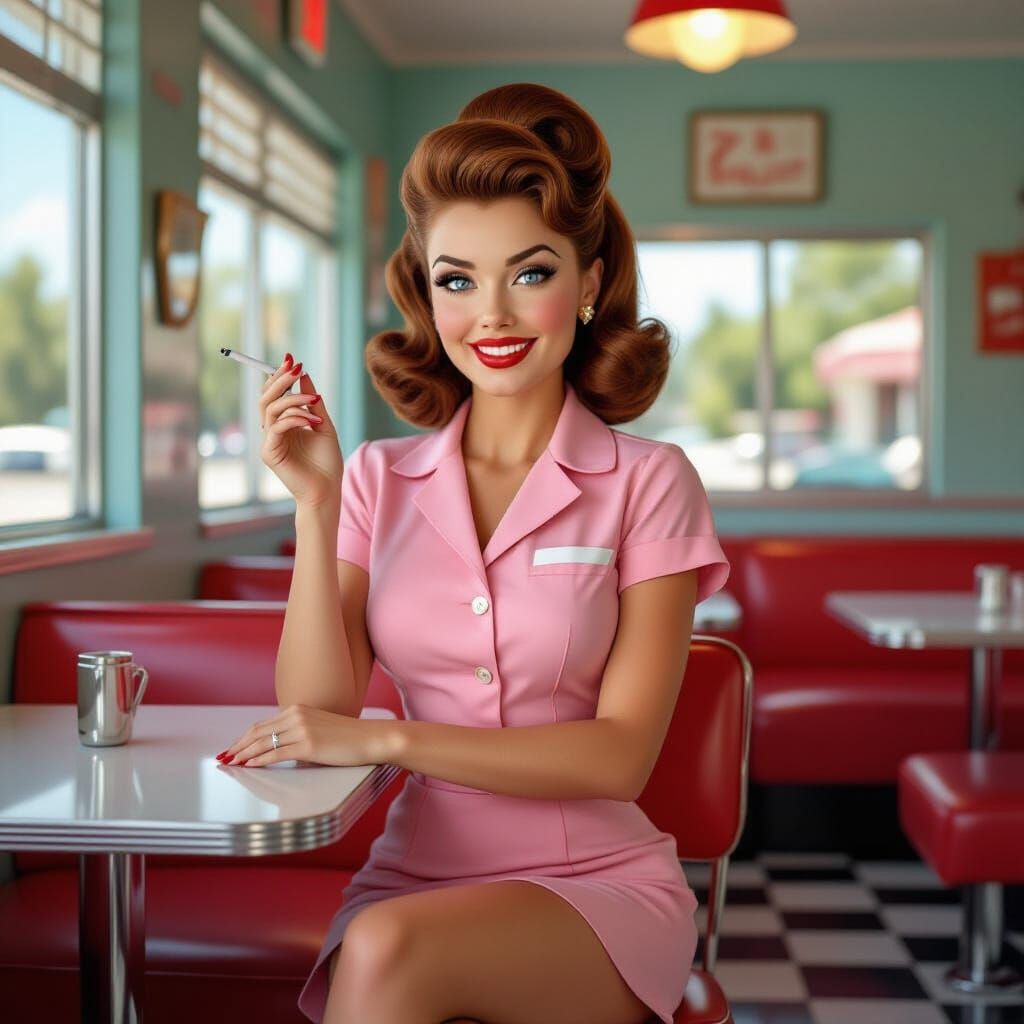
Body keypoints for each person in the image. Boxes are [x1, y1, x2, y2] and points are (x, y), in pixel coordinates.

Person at [219, 82, 730, 1024]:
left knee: (385, 955)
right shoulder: (374, 475)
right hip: (413, 878)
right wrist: (317, 505)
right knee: (388, 942)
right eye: (458, 279)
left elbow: (618, 760)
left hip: (595, 889)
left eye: (530, 273)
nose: (490, 314)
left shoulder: (651, 480)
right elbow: (318, 707)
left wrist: (389, 739)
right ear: (428, 294)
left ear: (586, 286)